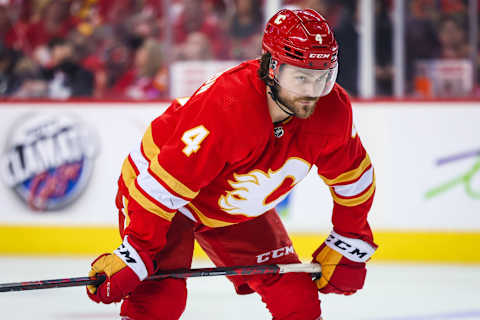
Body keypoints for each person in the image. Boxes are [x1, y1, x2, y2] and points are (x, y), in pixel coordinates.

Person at [86, 8, 377, 320]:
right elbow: (160, 187)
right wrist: (137, 252)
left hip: (230, 205)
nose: (311, 92)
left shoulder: (332, 108)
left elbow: (354, 179)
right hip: (166, 197)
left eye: (322, 78)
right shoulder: (229, 107)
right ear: (271, 67)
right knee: (160, 301)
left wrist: (349, 238)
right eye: (301, 77)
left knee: (298, 302)